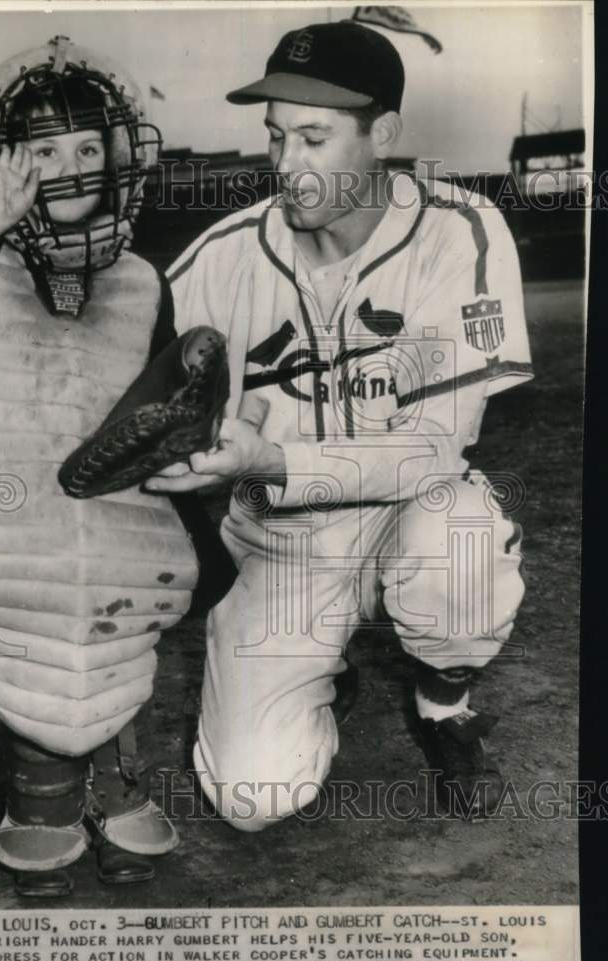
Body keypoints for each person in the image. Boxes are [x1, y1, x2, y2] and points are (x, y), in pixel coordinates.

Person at [148, 21, 533, 830]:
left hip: (408, 516)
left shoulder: (456, 231)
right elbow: (130, 367)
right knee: (252, 798)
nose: (286, 165)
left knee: (457, 542)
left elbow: (430, 449)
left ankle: (442, 704)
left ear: (381, 134)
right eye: (276, 137)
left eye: (314, 138)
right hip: (279, 545)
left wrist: (268, 453)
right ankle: (318, 675)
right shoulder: (222, 255)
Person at [0, 36, 203, 896]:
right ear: (6, 161)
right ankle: (41, 798)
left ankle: (116, 787)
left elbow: (162, 396)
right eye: (45, 152)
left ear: (119, 161)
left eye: (88, 150)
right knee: (25, 622)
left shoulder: (145, 277)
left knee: (119, 613)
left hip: (117, 511)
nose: (71, 172)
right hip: (9, 511)